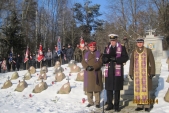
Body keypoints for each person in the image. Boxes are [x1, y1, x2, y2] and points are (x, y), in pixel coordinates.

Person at [102, 34, 129, 111]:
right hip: (109, 70)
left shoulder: (121, 47)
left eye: (114, 40)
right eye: (111, 40)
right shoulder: (107, 48)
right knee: (109, 88)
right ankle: (110, 104)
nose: (112, 42)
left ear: (116, 40)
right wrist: (105, 59)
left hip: (117, 70)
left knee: (117, 88)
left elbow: (126, 57)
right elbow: (103, 58)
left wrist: (117, 59)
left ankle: (116, 106)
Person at [129, 37, 155, 112]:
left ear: (143, 43)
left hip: (146, 73)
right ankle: (139, 105)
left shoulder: (148, 51)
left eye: (141, 42)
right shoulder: (134, 52)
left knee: (146, 90)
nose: (140, 44)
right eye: (138, 42)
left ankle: (147, 105)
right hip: (137, 74)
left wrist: (152, 72)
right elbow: (131, 64)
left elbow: (152, 62)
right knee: (137, 90)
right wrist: (131, 73)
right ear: (136, 43)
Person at [81, 42, 103, 108]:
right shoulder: (86, 54)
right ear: (89, 47)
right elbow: (83, 62)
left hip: (96, 72)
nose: (92, 48)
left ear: (95, 47)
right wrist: (87, 67)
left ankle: (97, 102)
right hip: (88, 73)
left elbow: (100, 62)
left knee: (96, 89)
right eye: (91, 47)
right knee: (89, 89)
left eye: (94, 47)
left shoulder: (99, 54)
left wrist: (94, 67)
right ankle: (90, 102)